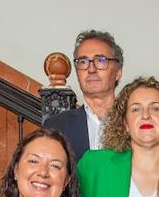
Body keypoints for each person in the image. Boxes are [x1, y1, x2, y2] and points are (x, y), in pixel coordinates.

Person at [45, 29, 124, 160]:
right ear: (77, 73)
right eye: (83, 62)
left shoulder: (134, 122)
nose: (91, 69)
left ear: (118, 72)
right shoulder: (56, 126)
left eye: (100, 61)